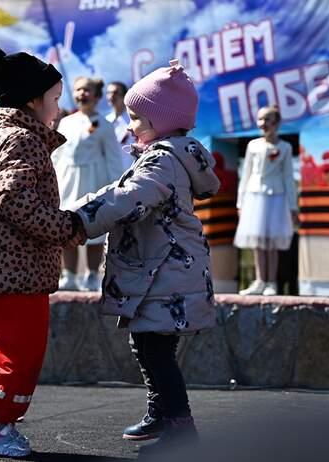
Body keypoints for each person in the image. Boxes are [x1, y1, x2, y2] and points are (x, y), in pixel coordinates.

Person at [73, 59, 220, 454]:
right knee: (153, 346)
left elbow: (127, 199)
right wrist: (83, 208)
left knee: (153, 348)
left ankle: (180, 429)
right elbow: (119, 188)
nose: (129, 124)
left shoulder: (162, 159)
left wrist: (76, 222)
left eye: (137, 118)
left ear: (162, 122)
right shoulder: (167, 155)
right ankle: (164, 414)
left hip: (164, 272)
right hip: (165, 269)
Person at [0, 45, 86, 458]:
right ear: (32, 101)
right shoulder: (22, 140)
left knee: (6, 350)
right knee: (20, 354)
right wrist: (65, 226)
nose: (59, 107)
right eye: (54, 99)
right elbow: (15, 199)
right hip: (13, 269)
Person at [53, 76, 124, 291]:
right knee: (66, 227)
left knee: (94, 231)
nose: (82, 94)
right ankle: (69, 276)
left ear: (97, 96)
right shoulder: (65, 122)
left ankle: (92, 275)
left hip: (95, 182)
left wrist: (116, 188)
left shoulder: (104, 124)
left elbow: (113, 158)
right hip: (67, 182)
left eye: (87, 90)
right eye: (78, 89)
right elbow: (57, 156)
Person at [234, 105, 298, 296]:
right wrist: (241, 202)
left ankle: (272, 282)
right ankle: (260, 280)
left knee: (272, 241)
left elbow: (288, 177)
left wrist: (293, 206)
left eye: (268, 119)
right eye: (260, 119)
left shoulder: (285, 147)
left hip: (276, 198)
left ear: (276, 123)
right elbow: (245, 175)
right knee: (258, 240)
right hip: (255, 196)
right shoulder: (253, 145)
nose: (263, 123)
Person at [105, 80, 136, 169]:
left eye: (115, 93)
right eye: (109, 93)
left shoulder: (134, 119)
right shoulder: (106, 120)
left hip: (131, 168)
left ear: (124, 95)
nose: (111, 96)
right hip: (113, 170)